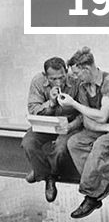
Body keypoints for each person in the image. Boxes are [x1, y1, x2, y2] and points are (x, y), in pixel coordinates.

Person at [59, 47, 109, 219]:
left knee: (100, 145)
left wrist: (74, 104)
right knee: (74, 143)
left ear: (87, 69)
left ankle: (91, 196)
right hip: (107, 128)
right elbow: (88, 121)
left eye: (77, 73)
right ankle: (107, 181)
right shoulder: (84, 87)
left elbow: (102, 115)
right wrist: (107, 128)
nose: (75, 78)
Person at [22, 56, 81, 203]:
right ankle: (46, 176)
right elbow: (33, 110)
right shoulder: (38, 81)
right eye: (53, 79)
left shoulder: (76, 81)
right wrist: (51, 103)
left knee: (61, 148)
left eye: (61, 77)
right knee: (28, 143)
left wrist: (71, 125)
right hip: (45, 123)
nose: (59, 82)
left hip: (68, 124)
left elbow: (83, 112)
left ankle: (45, 173)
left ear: (66, 72)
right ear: (46, 76)